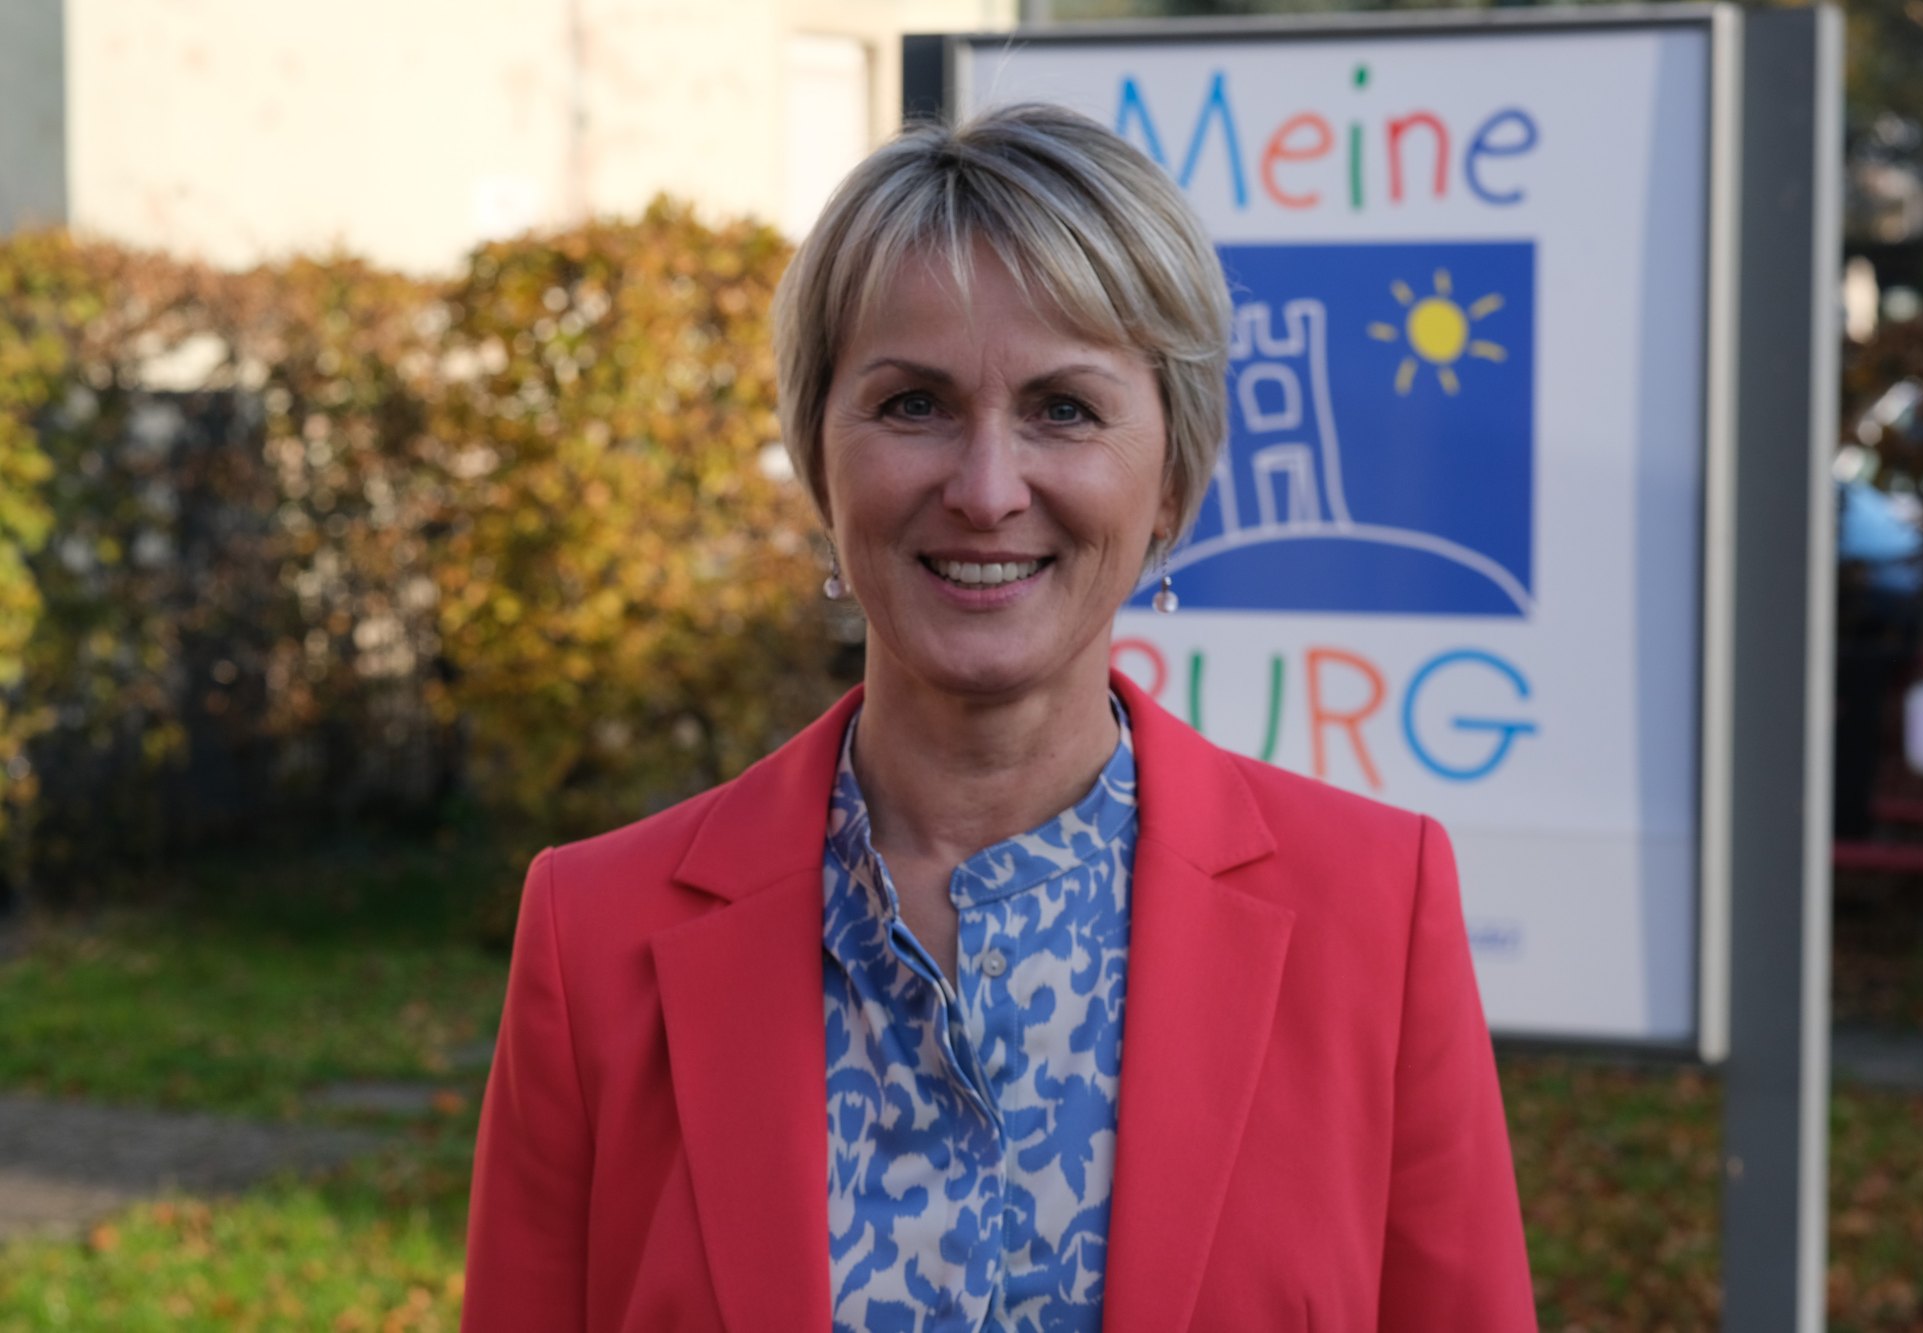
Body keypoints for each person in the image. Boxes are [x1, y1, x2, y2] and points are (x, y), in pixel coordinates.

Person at [463, 102, 1536, 1333]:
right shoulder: (594, 936)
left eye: (1062, 409)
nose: (983, 490)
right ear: (819, 459)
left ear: (1170, 477)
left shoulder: (1373, 915)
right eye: (911, 404)